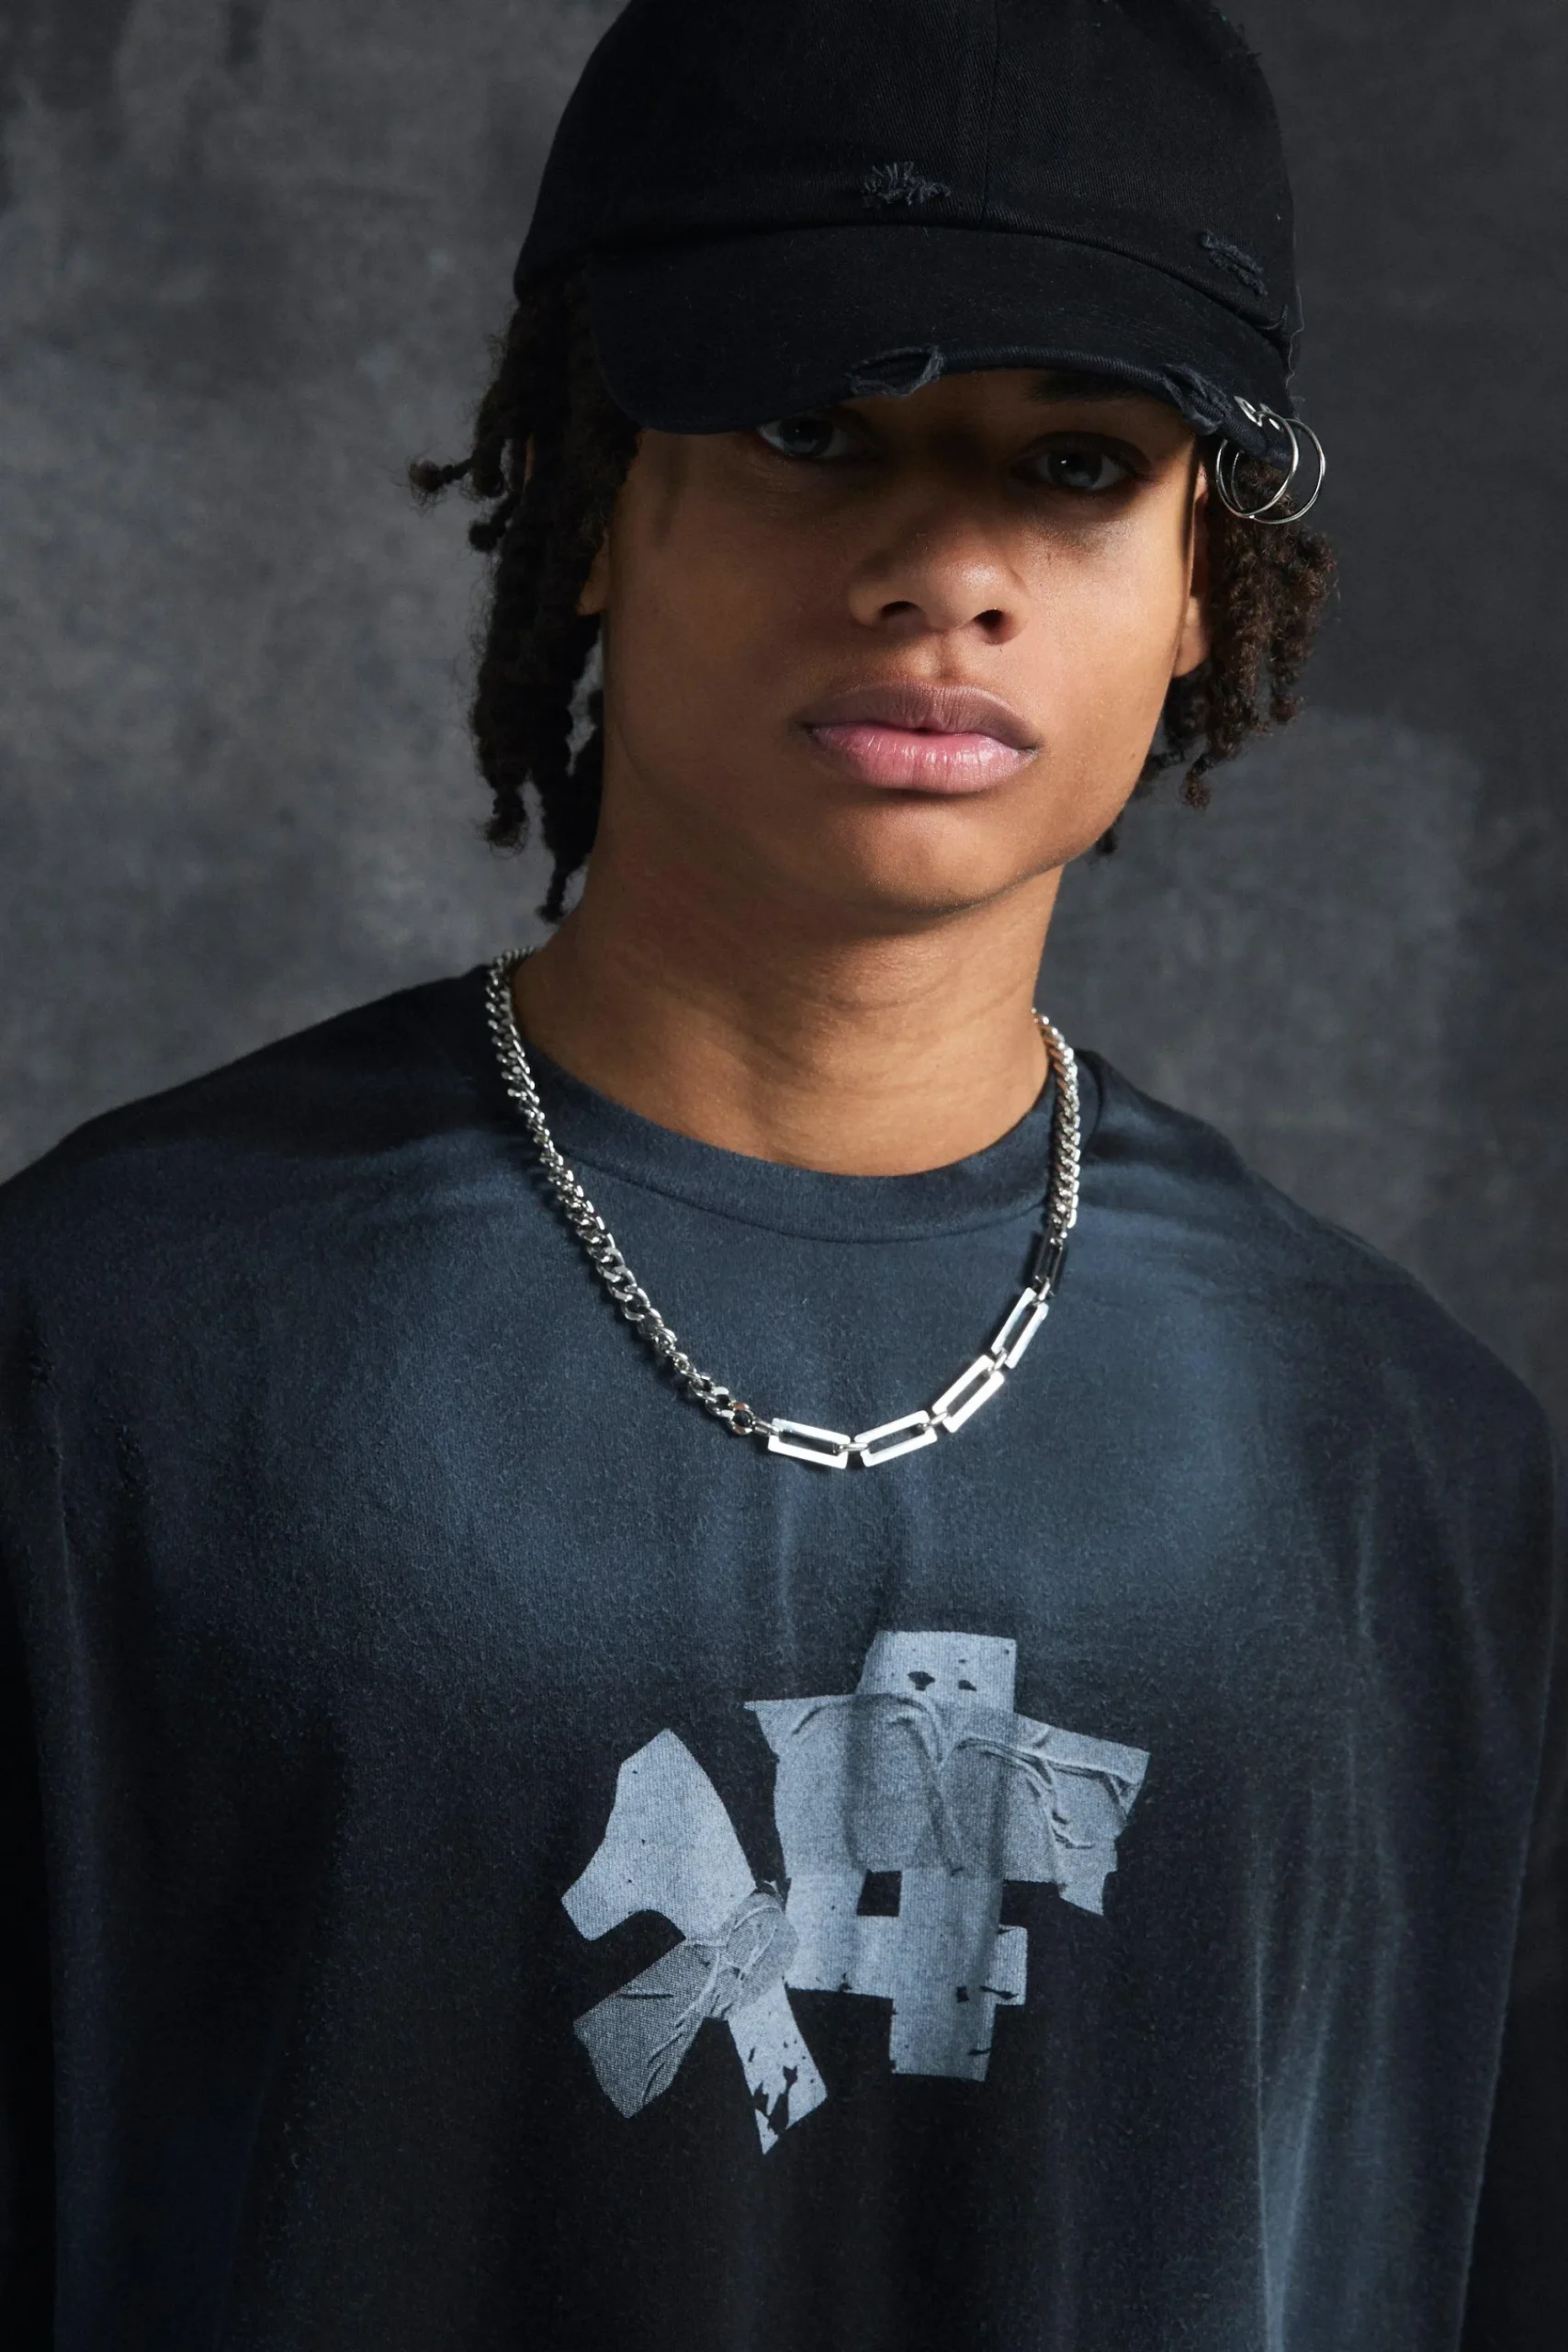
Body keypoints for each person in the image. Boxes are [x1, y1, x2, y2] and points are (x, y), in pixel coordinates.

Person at [0, 0, 1561, 2346]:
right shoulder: (110, 1356)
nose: (945, 572)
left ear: (1199, 582)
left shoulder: (1401, 1467)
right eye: (817, 428)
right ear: (593, 492)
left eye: (1072, 463)